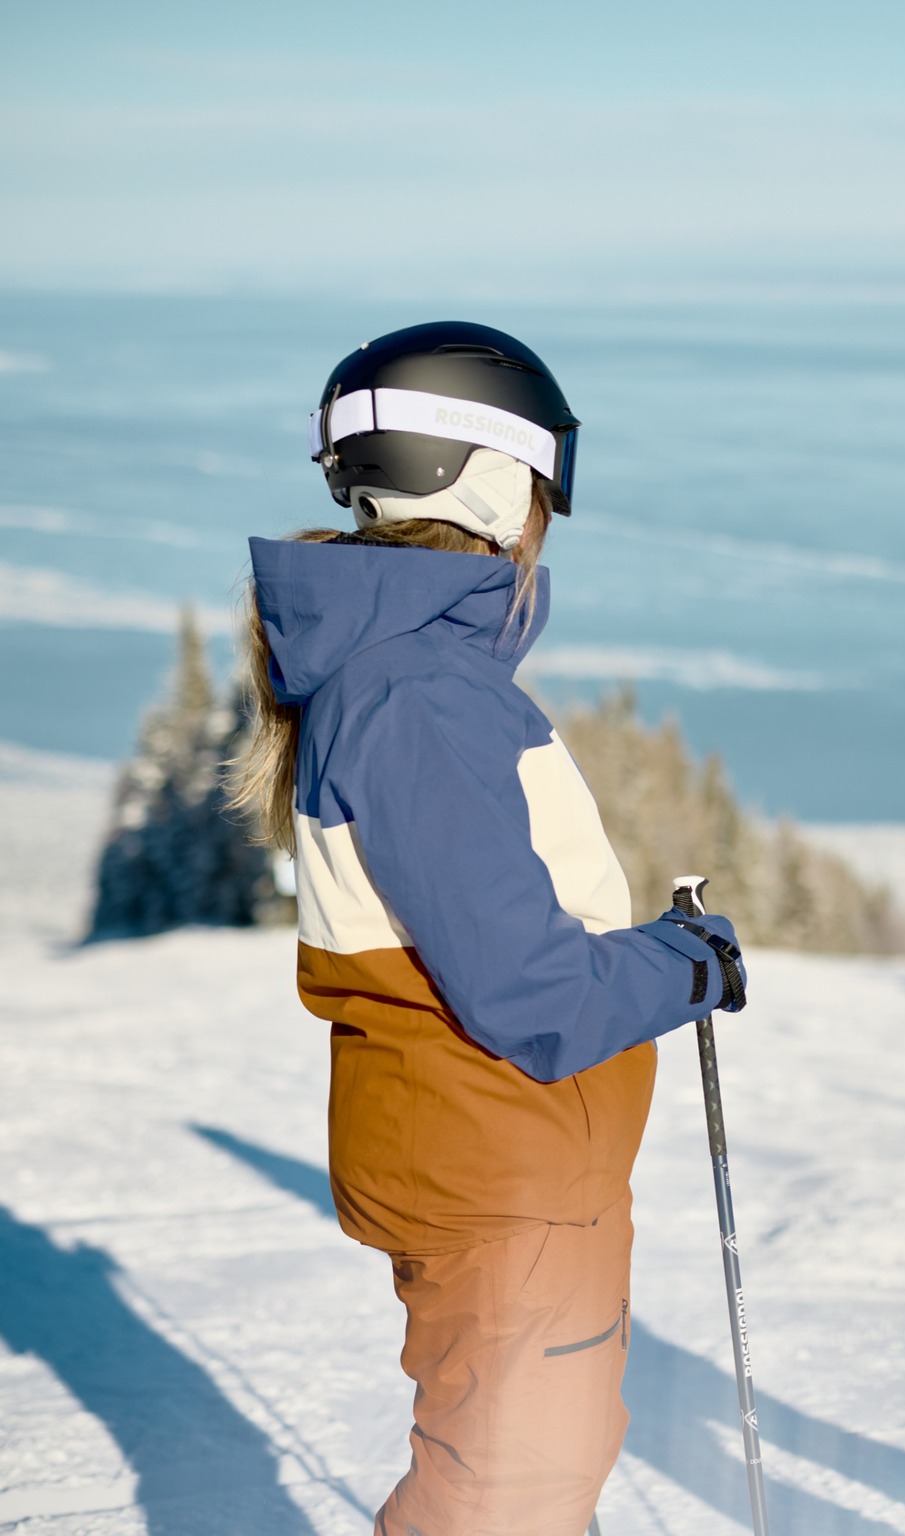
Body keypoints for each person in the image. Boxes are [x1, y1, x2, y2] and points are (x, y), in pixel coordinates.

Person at [229, 321, 747, 1536]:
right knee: (505, 1497)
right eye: (544, 491)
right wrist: (689, 963)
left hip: (506, 1162)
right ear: (492, 482)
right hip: (502, 1166)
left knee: (523, 1480)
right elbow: (535, 996)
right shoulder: (420, 693)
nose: (543, 524)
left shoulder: (404, 673)